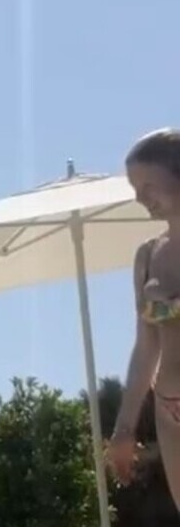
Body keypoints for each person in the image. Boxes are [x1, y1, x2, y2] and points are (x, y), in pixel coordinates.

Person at [107, 128, 180, 502]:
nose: (140, 198)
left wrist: (169, 305)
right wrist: (124, 428)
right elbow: (145, 347)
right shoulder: (147, 256)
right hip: (171, 407)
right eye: (135, 189)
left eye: (148, 185)